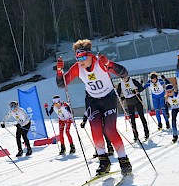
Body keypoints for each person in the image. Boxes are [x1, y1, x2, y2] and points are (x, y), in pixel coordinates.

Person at [56, 39, 132, 176]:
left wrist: (109, 64)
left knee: (109, 129)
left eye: (83, 57)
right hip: (92, 100)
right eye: (77, 58)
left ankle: (124, 160)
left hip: (108, 98)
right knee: (95, 129)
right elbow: (62, 84)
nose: (81, 61)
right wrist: (59, 71)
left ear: (90, 55)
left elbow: (124, 73)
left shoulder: (100, 63)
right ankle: (104, 162)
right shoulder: (77, 68)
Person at [117, 75, 149, 140]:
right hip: (129, 103)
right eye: (122, 78)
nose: (124, 79)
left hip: (137, 100)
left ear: (127, 76)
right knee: (132, 119)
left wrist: (136, 91)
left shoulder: (133, 81)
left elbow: (141, 88)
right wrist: (121, 97)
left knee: (141, 116)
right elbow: (118, 93)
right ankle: (135, 135)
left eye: (125, 77)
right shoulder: (120, 84)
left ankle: (146, 132)